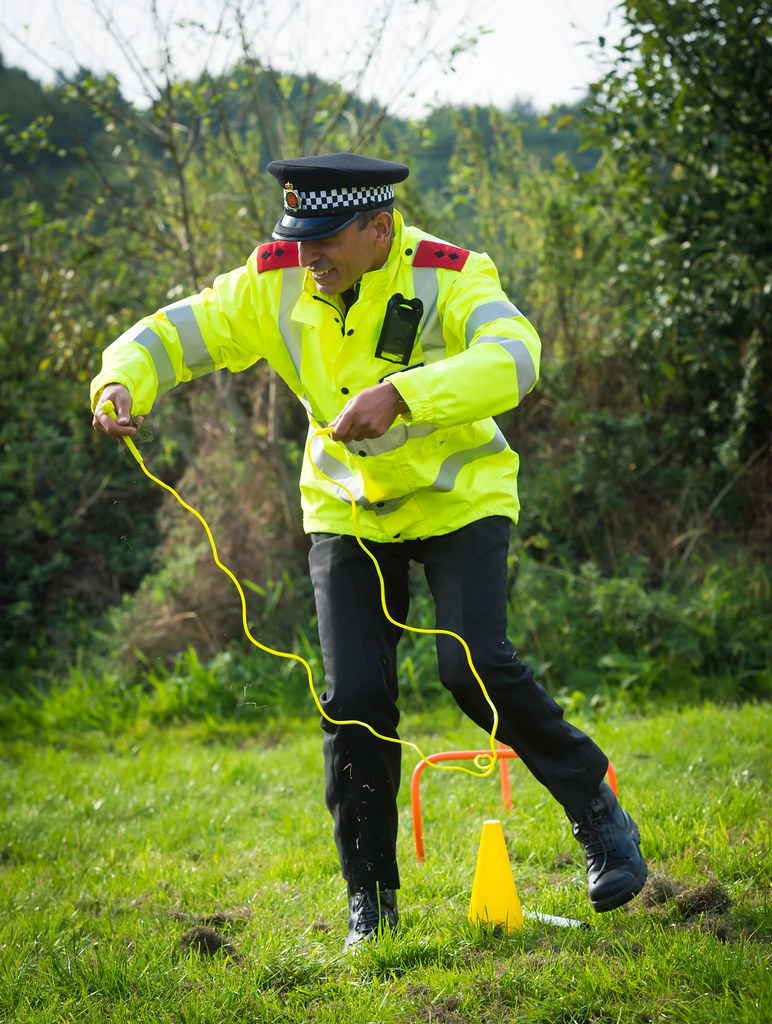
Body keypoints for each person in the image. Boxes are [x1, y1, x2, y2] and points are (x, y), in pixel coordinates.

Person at [91, 153, 647, 950]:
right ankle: (370, 902)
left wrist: (405, 394)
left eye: (326, 238)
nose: (308, 253)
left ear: (378, 228)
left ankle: (597, 812)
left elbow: (516, 355)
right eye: (299, 235)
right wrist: (120, 379)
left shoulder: (450, 274)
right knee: (353, 699)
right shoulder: (274, 278)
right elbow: (179, 330)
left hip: (459, 499)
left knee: (472, 667)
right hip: (346, 511)